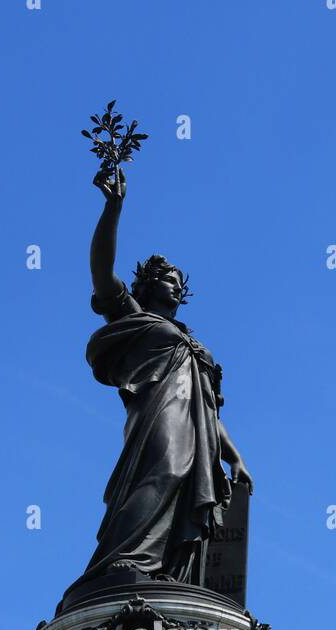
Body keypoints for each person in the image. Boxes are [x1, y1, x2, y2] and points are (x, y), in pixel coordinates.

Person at [68, 166, 253, 593]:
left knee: (188, 490)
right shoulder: (136, 317)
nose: (174, 285)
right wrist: (113, 207)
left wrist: (234, 456)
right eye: (167, 280)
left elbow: (207, 411)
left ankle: (167, 575)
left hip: (198, 430)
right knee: (164, 470)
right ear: (149, 286)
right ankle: (125, 562)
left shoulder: (194, 345)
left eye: (177, 282)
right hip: (157, 417)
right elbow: (101, 269)